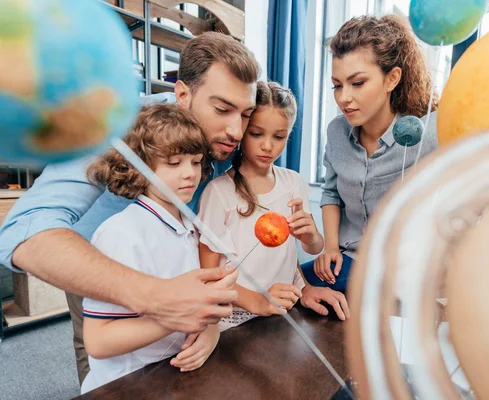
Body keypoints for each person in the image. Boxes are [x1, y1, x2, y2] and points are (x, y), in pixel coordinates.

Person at [0, 31, 259, 384]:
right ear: (183, 93)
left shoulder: (229, 138)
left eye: (245, 114)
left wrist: (208, 321)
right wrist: (157, 297)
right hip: (101, 268)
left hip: (180, 271)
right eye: (222, 109)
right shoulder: (118, 124)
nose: (235, 130)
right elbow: (21, 231)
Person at [80, 104, 223, 393]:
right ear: (140, 167)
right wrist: (182, 317)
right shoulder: (120, 235)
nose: (190, 174)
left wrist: (210, 331)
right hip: (126, 385)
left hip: (171, 376)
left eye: (196, 162)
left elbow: (200, 307)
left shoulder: (189, 223)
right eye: (174, 163)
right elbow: (98, 341)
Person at [301, 15, 439, 291]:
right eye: (337, 85)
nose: (343, 98)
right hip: (349, 260)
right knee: (292, 288)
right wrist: (330, 247)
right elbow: (330, 193)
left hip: (404, 274)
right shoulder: (337, 132)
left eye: (358, 83)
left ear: (392, 79)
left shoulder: (429, 131)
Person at [199, 81, 350, 328]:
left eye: (279, 136)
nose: (268, 146)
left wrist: (306, 285)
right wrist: (258, 300)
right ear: (242, 130)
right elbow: (208, 276)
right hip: (230, 325)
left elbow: (309, 250)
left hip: (279, 317)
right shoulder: (219, 193)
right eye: (256, 134)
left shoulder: (294, 183)